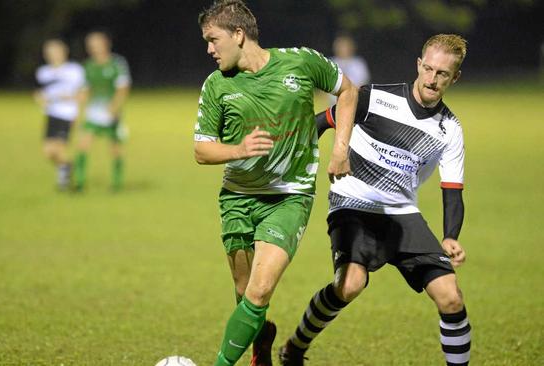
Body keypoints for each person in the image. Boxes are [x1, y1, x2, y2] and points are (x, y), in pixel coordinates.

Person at [278, 34, 471, 366]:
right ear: (418, 65)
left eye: (442, 73)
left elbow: (452, 190)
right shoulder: (373, 98)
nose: (432, 79)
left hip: (402, 213)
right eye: (428, 68)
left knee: (451, 297)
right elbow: (319, 123)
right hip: (353, 203)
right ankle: (295, 347)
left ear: (455, 78)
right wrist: (290, 158)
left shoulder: (450, 129)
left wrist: (451, 235)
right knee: (350, 285)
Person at [194, 1, 358, 365]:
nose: (208, 49)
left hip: (289, 196)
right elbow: (201, 151)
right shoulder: (217, 86)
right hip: (237, 197)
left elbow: (348, 91)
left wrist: (340, 148)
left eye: (213, 39)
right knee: (244, 291)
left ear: (238, 35)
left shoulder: (301, 62)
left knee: (260, 288)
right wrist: (238, 149)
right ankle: (261, 337)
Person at [73, 30, 131, 192]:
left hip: (112, 114)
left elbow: (123, 88)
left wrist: (114, 107)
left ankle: (117, 184)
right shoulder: (88, 66)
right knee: (83, 145)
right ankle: (79, 182)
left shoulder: (117, 63)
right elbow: (84, 91)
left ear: (106, 44)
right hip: (93, 114)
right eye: (91, 45)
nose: (94, 48)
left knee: (115, 148)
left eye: (97, 44)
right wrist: (78, 109)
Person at [34, 39, 85, 190]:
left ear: (64, 52)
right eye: (49, 53)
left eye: (56, 52)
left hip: (68, 114)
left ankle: (63, 182)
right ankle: (67, 166)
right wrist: (40, 99)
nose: (53, 55)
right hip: (51, 114)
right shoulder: (43, 72)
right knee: (48, 152)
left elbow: (83, 94)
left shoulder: (75, 70)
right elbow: (39, 92)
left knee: (59, 148)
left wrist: (71, 101)